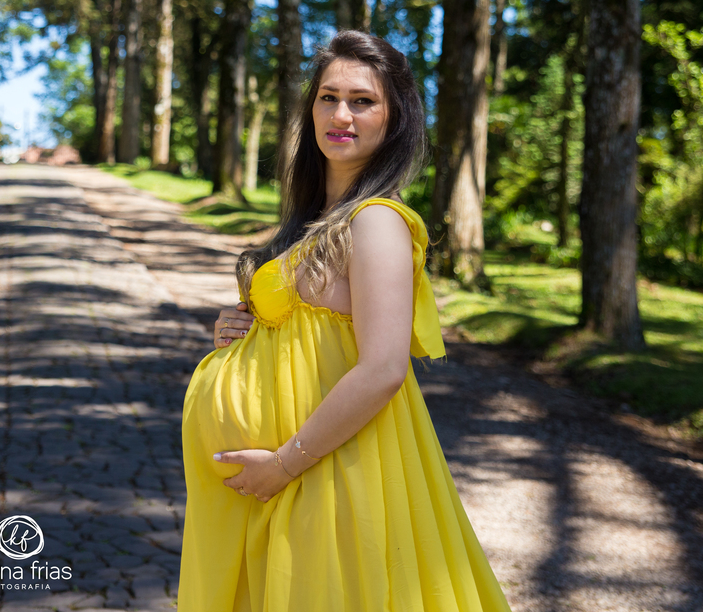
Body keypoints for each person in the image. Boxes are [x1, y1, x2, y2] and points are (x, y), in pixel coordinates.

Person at [178, 30, 511, 612]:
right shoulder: (316, 220)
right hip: (284, 483)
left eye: (363, 101)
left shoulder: (375, 221)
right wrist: (240, 338)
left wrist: (283, 465)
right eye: (328, 97)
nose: (341, 114)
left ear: (394, 117)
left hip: (326, 473)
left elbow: (383, 368)